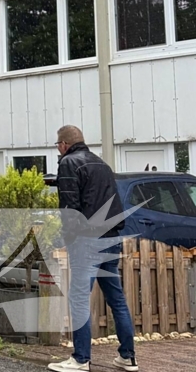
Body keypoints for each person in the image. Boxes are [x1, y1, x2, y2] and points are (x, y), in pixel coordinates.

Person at [47, 125, 138, 372]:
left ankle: (80, 358)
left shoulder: (68, 163)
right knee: (116, 299)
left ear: (64, 144)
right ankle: (128, 357)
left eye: (57, 144)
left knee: (78, 297)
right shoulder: (101, 164)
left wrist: (69, 239)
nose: (58, 149)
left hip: (87, 241)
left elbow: (70, 208)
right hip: (111, 237)